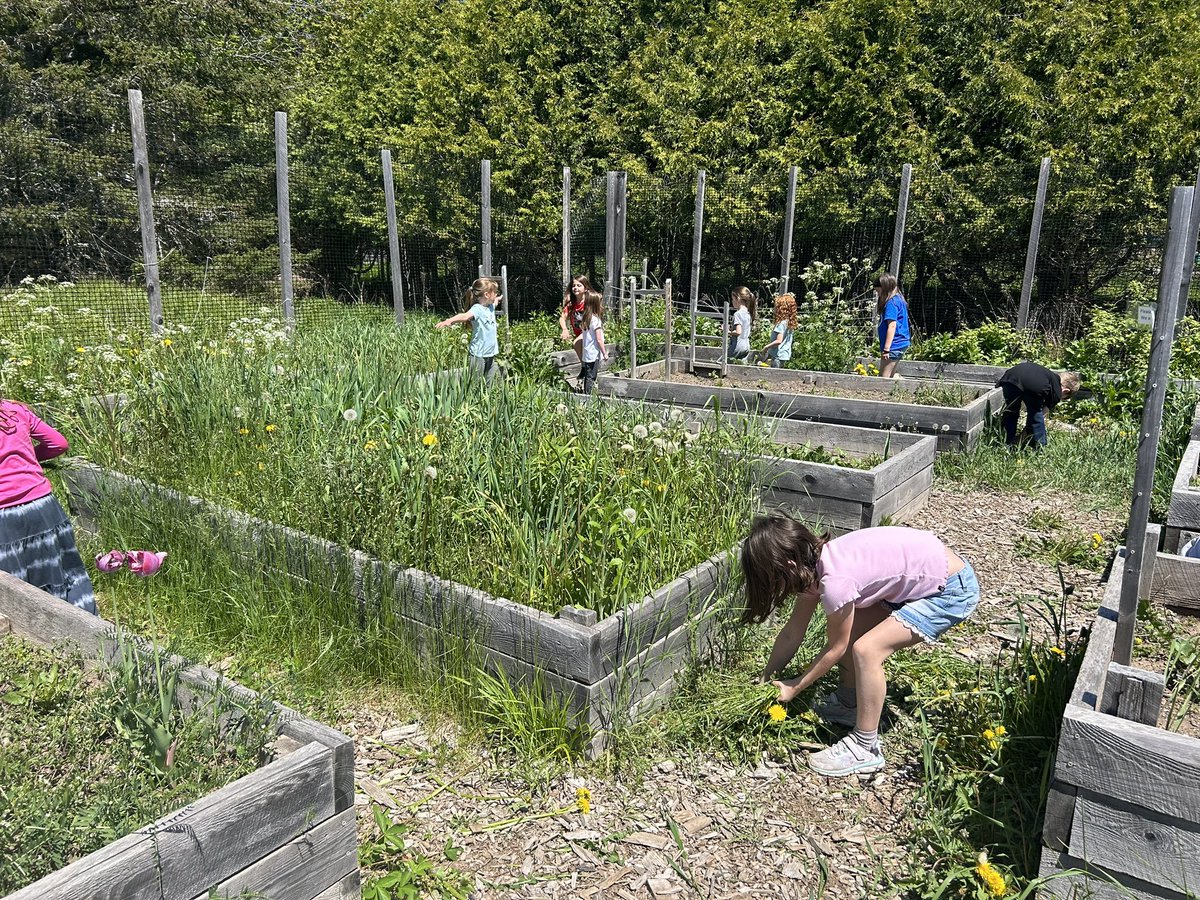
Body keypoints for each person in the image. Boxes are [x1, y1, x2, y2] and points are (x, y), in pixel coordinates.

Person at [741, 515, 979, 777]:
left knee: (866, 650)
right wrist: (766, 676)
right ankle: (849, 702)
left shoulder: (835, 581)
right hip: (924, 577)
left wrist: (794, 687)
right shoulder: (811, 567)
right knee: (853, 633)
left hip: (950, 590)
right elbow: (792, 633)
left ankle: (865, 747)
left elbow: (836, 649)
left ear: (788, 564)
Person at [0, 400, 97, 614]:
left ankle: (36, 634)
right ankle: (88, 627)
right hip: (45, 507)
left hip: (5, 516)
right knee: (65, 570)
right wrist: (26, 459)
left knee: (14, 582)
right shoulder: (13, 410)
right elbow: (58, 443)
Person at [995, 362, 1080, 449]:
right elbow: (1038, 418)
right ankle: (1040, 447)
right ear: (1065, 391)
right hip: (1035, 385)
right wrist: (1020, 439)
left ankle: (1004, 442)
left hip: (1010, 377)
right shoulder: (1057, 391)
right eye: (1064, 398)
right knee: (1036, 414)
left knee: (1011, 412)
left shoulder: (1047, 375)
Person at [436, 277, 501, 383]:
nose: (496, 294)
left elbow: (496, 302)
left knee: (492, 383)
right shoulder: (477, 309)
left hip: (490, 354)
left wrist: (499, 298)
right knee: (475, 384)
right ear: (487, 295)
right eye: (495, 292)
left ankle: (490, 399)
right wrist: (449, 321)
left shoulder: (490, 306)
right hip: (478, 356)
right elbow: (465, 316)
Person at [875, 273, 911, 378]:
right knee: (889, 375)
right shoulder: (899, 299)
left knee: (884, 378)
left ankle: (902, 383)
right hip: (899, 343)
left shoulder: (891, 304)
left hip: (894, 345)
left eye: (878, 291)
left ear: (885, 288)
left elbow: (892, 326)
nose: (878, 294)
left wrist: (886, 349)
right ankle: (898, 381)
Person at [578, 290, 610, 394]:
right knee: (591, 377)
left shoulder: (586, 318)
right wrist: (604, 353)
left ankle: (586, 394)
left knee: (588, 376)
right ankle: (588, 397)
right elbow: (599, 339)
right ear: (595, 304)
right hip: (593, 353)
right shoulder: (596, 320)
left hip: (587, 352)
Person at [559, 275, 594, 364]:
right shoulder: (571, 304)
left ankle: (585, 368)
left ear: (585, 288)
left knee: (576, 344)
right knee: (581, 348)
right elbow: (562, 318)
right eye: (574, 286)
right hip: (580, 333)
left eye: (579, 285)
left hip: (590, 331)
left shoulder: (589, 302)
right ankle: (585, 368)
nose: (575, 288)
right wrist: (564, 329)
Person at [761, 293, 797, 368]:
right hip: (784, 355)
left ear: (781, 308)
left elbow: (778, 341)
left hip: (777, 355)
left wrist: (766, 347)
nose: (774, 309)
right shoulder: (789, 323)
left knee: (774, 376)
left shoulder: (781, 323)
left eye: (776, 307)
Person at [728, 287, 756, 363]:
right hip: (746, 346)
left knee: (722, 364)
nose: (732, 301)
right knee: (740, 368)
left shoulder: (737, 314)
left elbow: (738, 332)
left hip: (737, 345)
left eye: (733, 299)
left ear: (738, 299)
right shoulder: (748, 314)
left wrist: (726, 331)